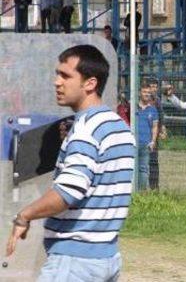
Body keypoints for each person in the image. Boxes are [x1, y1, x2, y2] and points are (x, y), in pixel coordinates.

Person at [5, 45, 136, 281]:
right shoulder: (118, 126)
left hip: (73, 263)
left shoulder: (85, 130)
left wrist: (24, 215)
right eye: (57, 74)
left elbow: (68, 193)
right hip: (107, 258)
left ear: (90, 83)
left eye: (66, 76)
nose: (57, 82)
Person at [136, 83, 159, 191]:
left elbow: (155, 127)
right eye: (144, 92)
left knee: (144, 169)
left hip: (145, 144)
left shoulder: (153, 110)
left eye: (148, 93)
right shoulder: (133, 108)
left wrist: (153, 141)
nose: (146, 94)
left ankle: (141, 193)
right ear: (139, 93)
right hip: (133, 144)